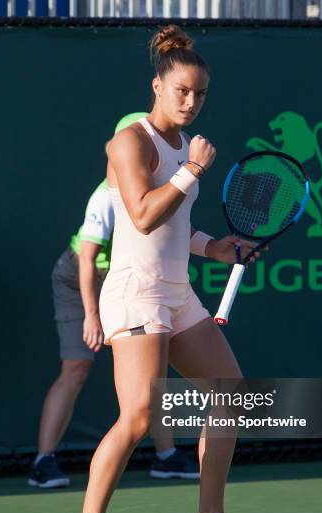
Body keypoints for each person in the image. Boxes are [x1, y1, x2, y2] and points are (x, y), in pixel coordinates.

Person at [59, 25, 270, 513]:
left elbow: (175, 225)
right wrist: (194, 169)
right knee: (137, 418)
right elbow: (144, 214)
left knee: (232, 396)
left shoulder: (182, 144)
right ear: (157, 85)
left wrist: (213, 248)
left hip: (177, 293)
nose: (191, 101)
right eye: (181, 90)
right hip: (134, 293)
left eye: (200, 93)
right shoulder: (130, 143)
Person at [28, 112, 199, 489]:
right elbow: (86, 259)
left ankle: (167, 456)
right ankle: (43, 461)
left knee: (153, 376)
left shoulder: (161, 186)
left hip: (132, 278)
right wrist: (91, 315)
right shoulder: (106, 198)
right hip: (80, 281)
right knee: (76, 368)